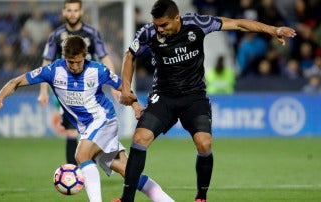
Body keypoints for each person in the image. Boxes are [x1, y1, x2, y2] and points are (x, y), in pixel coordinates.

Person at [114, 0, 296, 201]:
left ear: (177, 18)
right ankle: (126, 198)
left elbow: (237, 23)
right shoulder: (148, 33)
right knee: (139, 139)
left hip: (194, 97)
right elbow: (130, 55)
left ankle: (201, 196)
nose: (160, 29)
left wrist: (273, 29)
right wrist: (126, 87)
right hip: (164, 96)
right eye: (157, 25)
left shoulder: (197, 23)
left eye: (164, 25)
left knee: (204, 143)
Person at [0, 35, 174, 202]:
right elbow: (16, 82)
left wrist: (136, 106)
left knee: (81, 155)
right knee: (129, 172)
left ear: (85, 57)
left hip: (104, 120)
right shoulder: (52, 71)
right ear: (64, 57)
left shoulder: (98, 70)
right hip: (87, 128)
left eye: (78, 62)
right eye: (70, 62)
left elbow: (123, 88)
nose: (74, 66)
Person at [37, 0, 120, 165]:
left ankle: (89, 169)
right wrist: (43, 90)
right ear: (64, 12)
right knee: (70, 132)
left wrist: (114, 86)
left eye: (76, 10)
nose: (73, 13)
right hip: (66, 90)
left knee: (92, 133)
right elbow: (46, 62)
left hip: (90, 90)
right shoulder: (56, 35)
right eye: (69, 10)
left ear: (81, 12)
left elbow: (105, 58)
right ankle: (74, 173)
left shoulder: (92, 33)